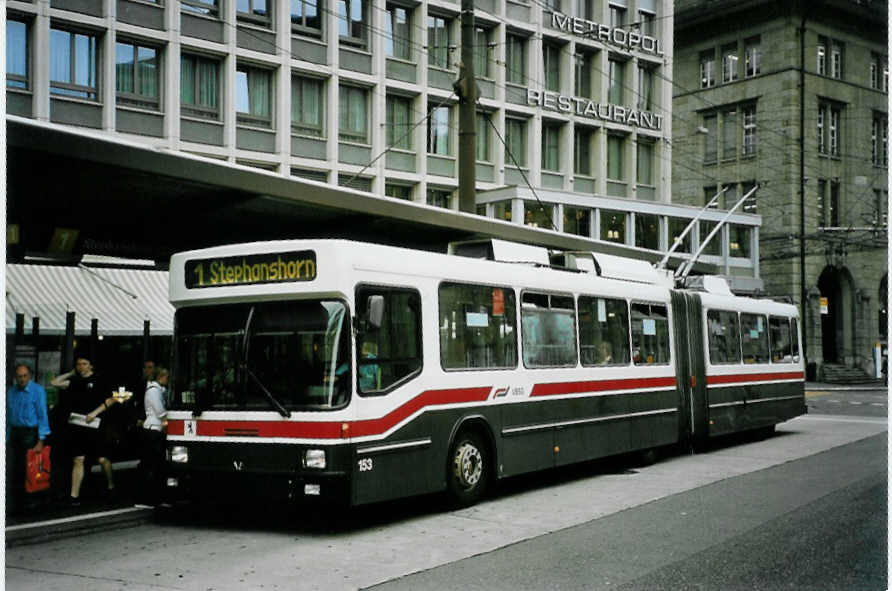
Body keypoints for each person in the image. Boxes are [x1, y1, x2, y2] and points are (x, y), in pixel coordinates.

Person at [51, 357, 119, 506]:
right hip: (78, 424)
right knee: (78, 459)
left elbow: (113, 399)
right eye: (79, 364)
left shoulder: (99, 380)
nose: (81, 367)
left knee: (102, 459)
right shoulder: (75, 381)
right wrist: (70, 373)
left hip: (95, 424)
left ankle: (111, 486)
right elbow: (54, 383)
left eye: (84, 364)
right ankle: (74, 496)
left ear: (91, 365)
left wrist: (95, 413)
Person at [6, 364, 51, 514]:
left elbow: (42, 415)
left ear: (29, 376)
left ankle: (33, 500)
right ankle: (19, 502)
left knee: (31, 467)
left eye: (25, 376)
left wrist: (41, 439)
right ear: (15, 377)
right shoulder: (11, 392)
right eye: (19, 376)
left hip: (30, 432)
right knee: (16, 468)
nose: (22, 379)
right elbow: (7, 416)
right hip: (15, 432)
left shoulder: (37, 391)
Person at [138, 367, 169, 504]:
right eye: (166, 377)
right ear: (161, 377)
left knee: (153, 464)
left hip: (153, 429)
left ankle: (151, 497)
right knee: (153, 464)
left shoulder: (155, 389)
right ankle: (148, 497)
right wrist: (166, 423)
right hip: (153, 429)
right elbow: (160, 411)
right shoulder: (154, 391)